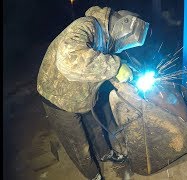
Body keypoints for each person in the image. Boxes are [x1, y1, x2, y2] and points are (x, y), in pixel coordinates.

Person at [36, 6, 149, 180]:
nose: (117, 49)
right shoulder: (85, 26)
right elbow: (70, 60)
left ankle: (105, 154)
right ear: (119, 28)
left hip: (81, 93)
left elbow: (102, 63)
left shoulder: (106, 38)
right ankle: (93, 175)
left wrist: (128, 73)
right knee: (78, 142)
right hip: (58, 97)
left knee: (95, 127)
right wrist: (115, 67)